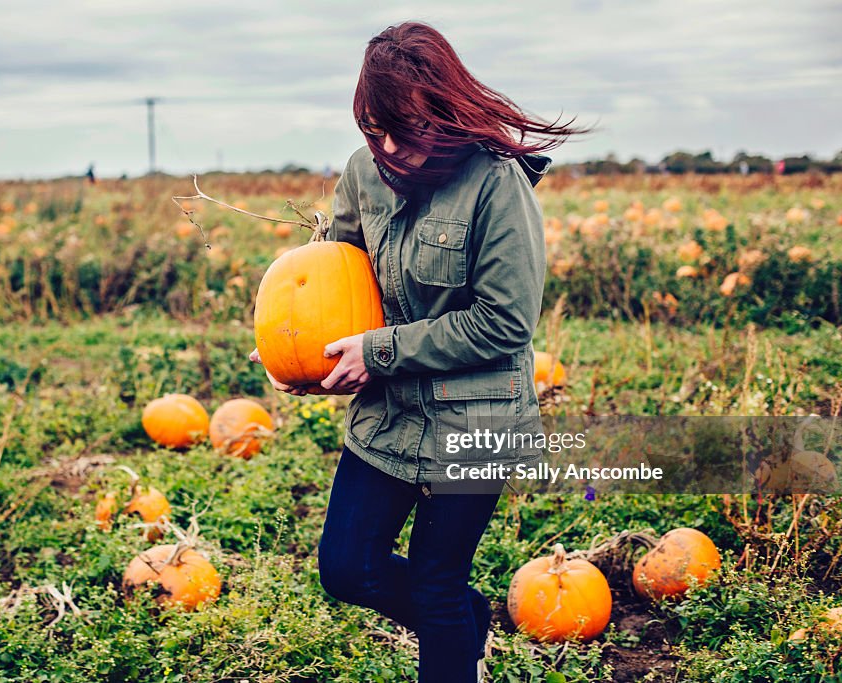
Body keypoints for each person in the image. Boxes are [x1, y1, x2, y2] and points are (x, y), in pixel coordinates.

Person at [250, 21, 588, 682]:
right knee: (347, 566)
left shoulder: (496, 182)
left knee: (435, 586)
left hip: (479, 418)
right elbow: (341, 280)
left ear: (443, 114)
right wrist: (312, 361)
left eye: (402, 129)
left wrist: (378, 352)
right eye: (371, 129)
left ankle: (454, 629)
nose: (387, 147)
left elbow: (504, 322)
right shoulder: (361, 174)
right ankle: (469, 618)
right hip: (390, 414)